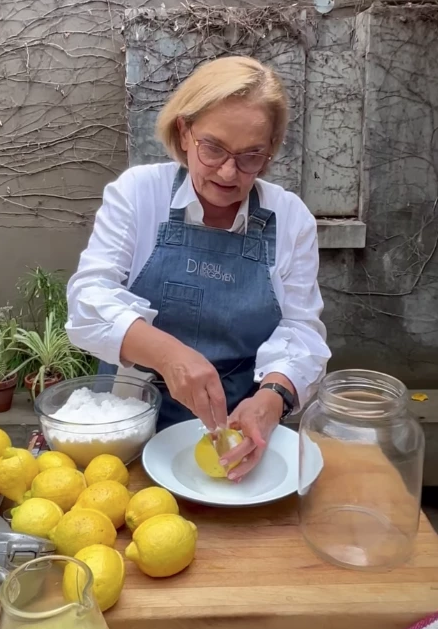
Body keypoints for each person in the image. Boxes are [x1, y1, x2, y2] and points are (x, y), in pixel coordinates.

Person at [66, 56, 331, 481]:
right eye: (214, 148)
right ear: (184, 130)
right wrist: (167, 354)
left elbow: (301, 329)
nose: (229, 171)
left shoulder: (290, 217)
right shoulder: (139, 194)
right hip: (129, 423)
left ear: (270, 152)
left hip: (241, 431)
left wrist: (274, 397)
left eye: (251, 156)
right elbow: (87, 302)